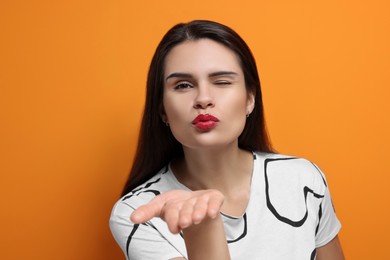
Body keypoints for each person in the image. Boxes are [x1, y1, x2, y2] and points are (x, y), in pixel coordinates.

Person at [109, 20, 344, 260]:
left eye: (221, 82)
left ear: (250, 98)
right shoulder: (138, 212)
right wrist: (203, 228)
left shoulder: (303, 179)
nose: (203, 98)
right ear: (162, 110)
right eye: (183, 85)